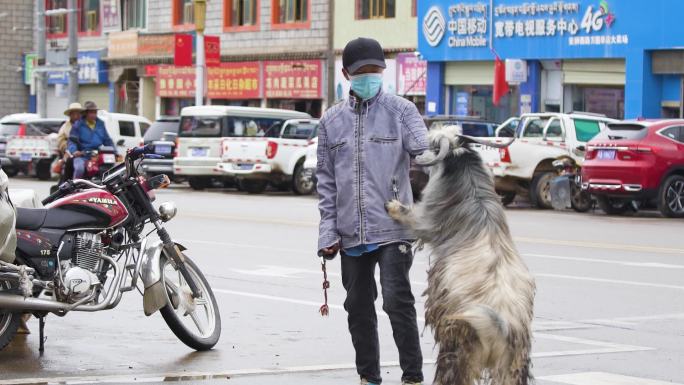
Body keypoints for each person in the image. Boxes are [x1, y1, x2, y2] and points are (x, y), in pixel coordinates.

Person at [316, 37, 428, 385]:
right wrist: (328, 232)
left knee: (397, 300)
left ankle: (412, 376)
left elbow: (424, 151)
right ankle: (369, 376)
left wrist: (446, 150)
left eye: (375, 71)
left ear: (383, 71)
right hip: (350, 232)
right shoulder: (330, 122)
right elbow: (326, 184)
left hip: (394, 226)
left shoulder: (402, 111)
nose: (369, 77)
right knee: (358, 307)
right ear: (348, 74)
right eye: (362, 72)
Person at [67, 101, 117, 180]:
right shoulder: (78, 124)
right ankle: (75, 188)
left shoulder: (101, 124)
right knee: (79, 169)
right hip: (82, 155)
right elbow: (71, 141)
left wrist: (115, 152)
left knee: (111, 170)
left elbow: (107, 140)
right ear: (86, 113)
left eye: (95, 112)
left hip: (97, 155)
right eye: (91, 112)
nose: (94, 114)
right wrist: (74, 151)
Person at [56, 102, 84, 183]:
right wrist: (67, 148)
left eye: (78, 114)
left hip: (84, 152)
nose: (76, 116)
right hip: (70, 152)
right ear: (70, 115)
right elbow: (60, 140)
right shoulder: (65, 126)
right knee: (68, 164)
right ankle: (65, 184)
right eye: (73, 114)